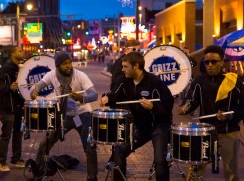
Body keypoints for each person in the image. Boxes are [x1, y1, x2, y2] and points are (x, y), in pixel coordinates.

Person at [101, 52, 174, 181]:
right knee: (119, 151)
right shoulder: (124, 80)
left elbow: (168, 104)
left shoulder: (154, 82)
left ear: (136, 66)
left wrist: (153, 107)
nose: (122, 70)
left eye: (125, 66)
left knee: (160, 161)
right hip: (141, 126)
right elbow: (114, 94)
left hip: (159, 126)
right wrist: (106, 97)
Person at [30, 51, 99, 181]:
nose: (68, 66)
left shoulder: (80, 75)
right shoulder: (51, 75)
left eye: (69, 63)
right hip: (65, 116)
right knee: (46, 142)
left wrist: (81, 97)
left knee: (90, 146)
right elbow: (38, 86)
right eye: (64, 64)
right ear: (57, 66)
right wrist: (35, 91)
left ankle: (92, 177)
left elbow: (94, 95)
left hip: (83, 114)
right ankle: (38, 172)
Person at [179, 45, 244, 181]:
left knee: (231, 172)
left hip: (228, 132)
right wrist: (184, 108)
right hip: (205, 132)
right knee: (195, 169)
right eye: (206, 62)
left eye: (214, 62)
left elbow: (242, 107)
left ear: (222, 62)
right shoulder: (199, 81)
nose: (210, 65)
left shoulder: (235, 81)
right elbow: (191, 101)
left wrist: (230, 115)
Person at [0, 46, 26, 172]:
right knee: (6, 135)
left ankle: (16, 159)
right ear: (13, 54)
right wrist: (9, 87)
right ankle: (1, 162)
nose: (23, 52)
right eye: (20, 51)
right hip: (8, 107)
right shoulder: (7, 67)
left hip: (18, 105)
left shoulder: (21, 67)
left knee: (18, 134)